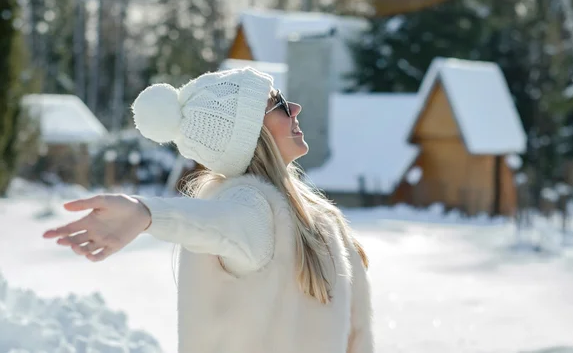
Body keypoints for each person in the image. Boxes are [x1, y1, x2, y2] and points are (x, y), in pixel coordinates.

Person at [42, 67, 373, 353]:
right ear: (250, 134)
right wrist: (148, 213)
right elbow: (217, 225)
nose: (295, 108)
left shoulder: (313, 213)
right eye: (279, 104)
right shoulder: (254, 207)